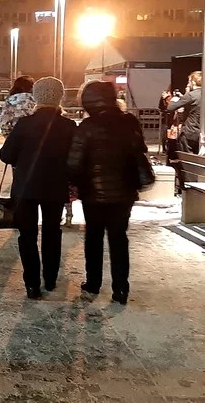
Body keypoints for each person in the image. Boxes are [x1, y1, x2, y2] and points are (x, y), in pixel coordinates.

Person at [68, 81, 148, 305]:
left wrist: (75, 182)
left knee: (93, 237)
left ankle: (93, 283)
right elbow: (139, 150)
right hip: (124, 191)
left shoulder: (87, 126)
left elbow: (74, 162)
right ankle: (121, 288)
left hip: (93, 193)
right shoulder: (129, 122)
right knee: (119, 238)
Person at [0, 77, 76, 299]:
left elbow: (6, 155)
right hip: (55, 188)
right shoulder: (69, 126)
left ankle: (32, 284)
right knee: (52, 232)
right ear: (60, 97)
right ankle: (50, 279)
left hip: (26, 188)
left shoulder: (25, 124)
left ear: (36, 97)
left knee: (27, 235)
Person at [165, 71, 202, 154]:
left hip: (190, 132)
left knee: (188, 157)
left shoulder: (191, 95)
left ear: (193, 82)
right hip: (202, 132)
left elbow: (170, 107)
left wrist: (174, 99)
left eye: (189, 81)